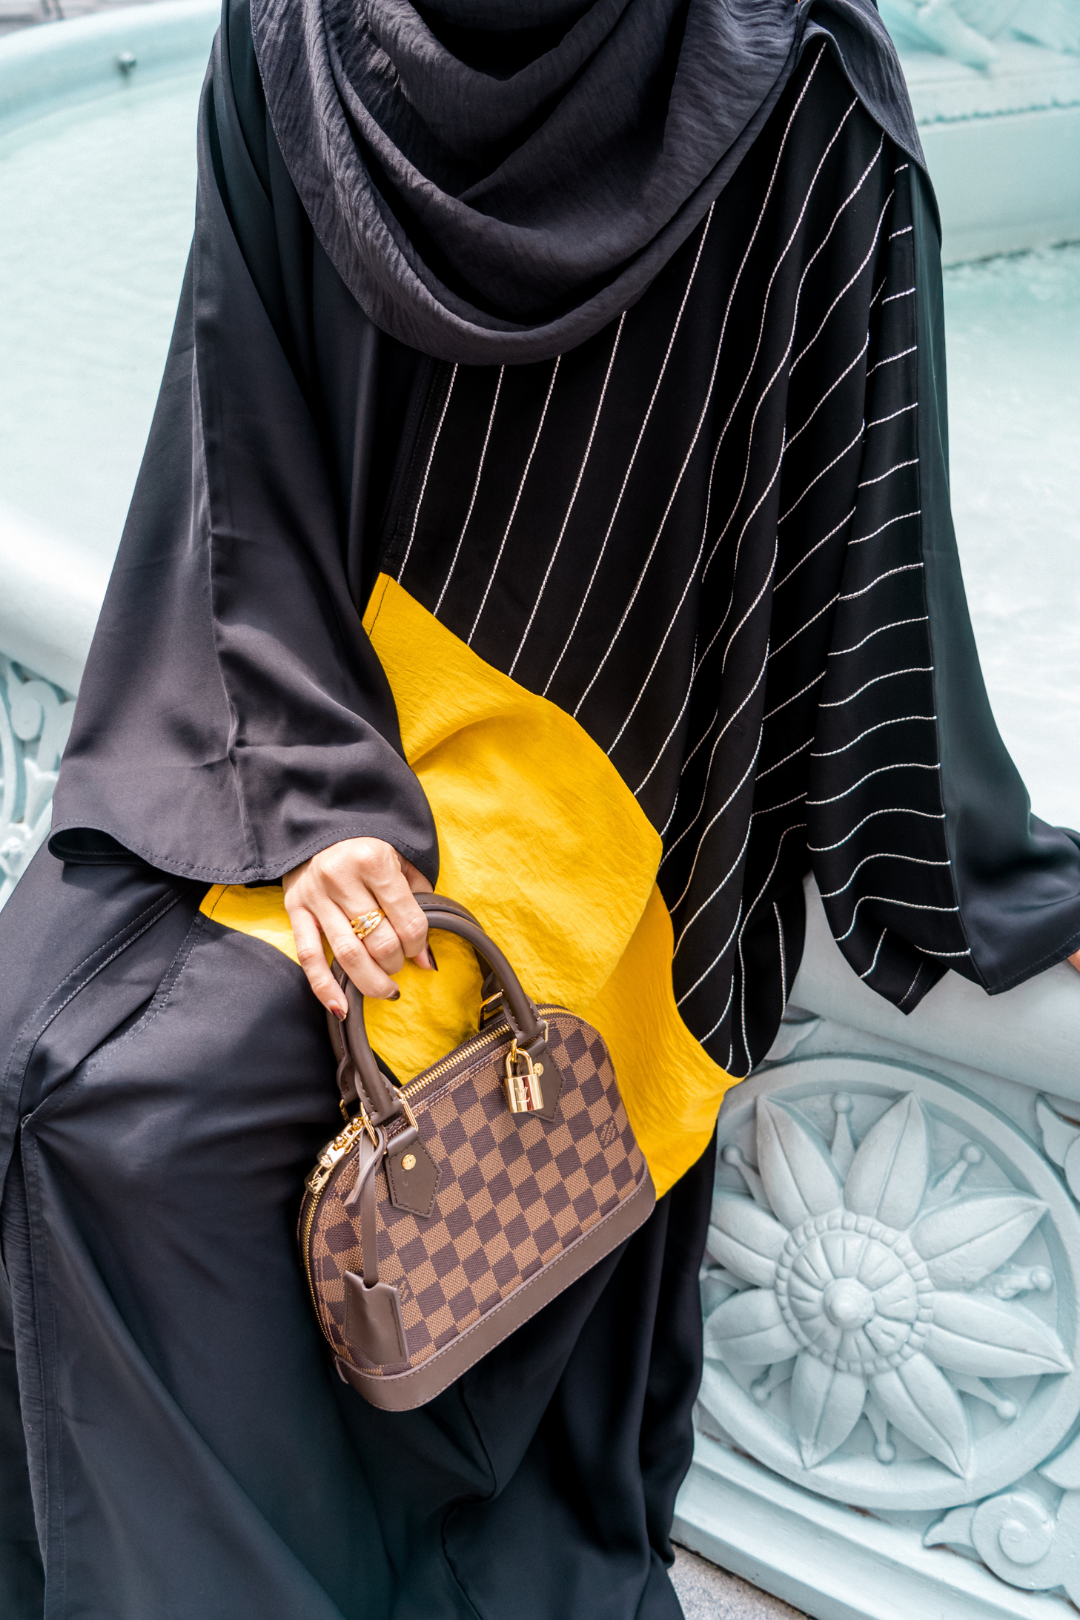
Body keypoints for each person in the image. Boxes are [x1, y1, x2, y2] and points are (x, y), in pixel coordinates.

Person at [2, 1, 1080, 1614]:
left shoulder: (792, 80)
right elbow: (235, 427)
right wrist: (311, 792)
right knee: (35, 1058)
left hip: (610, 784)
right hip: (301, 702)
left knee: (152, 1125)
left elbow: (873, 550)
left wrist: (999, 889)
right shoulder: (293, 34)